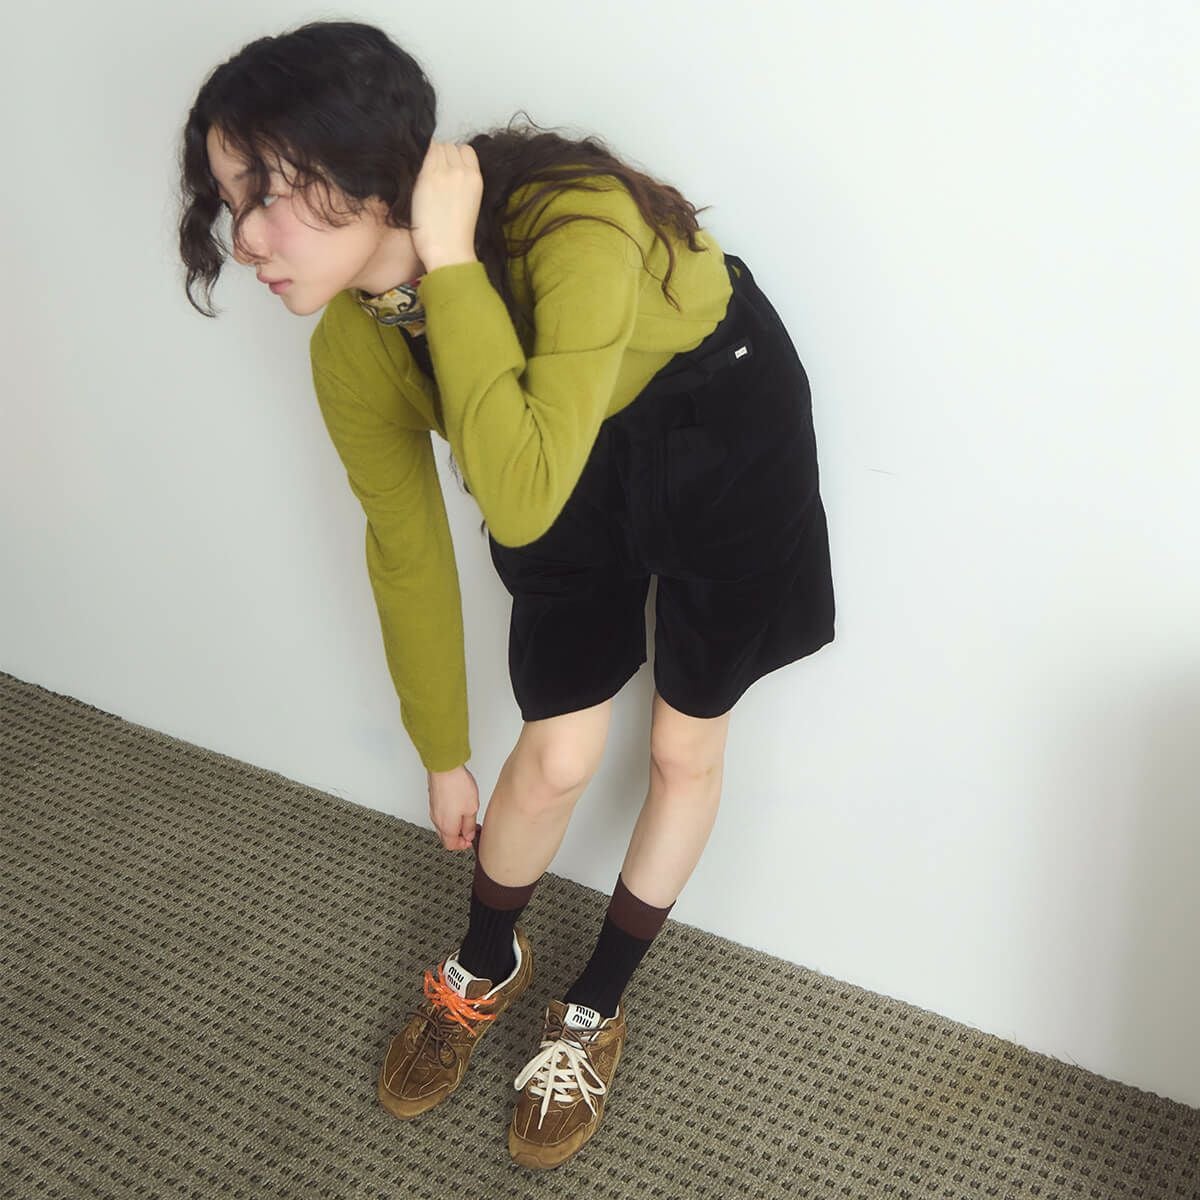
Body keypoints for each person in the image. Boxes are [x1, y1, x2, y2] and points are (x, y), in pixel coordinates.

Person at [178, 18, 835, 1171]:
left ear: (368, 167)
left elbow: (519, 503)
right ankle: (485, 961)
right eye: (231, 205)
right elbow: (406, 545)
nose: (246, 239)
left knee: (682, 746)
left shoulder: (578, 222)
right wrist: (441, 753)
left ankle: (594, 1007)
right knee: (559, 751)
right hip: (536, 432)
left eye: (266, 194)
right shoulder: (352, 348)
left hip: (718, 421)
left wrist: (453, 266)